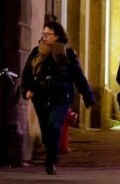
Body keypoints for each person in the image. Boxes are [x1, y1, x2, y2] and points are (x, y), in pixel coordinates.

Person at [20, 20, 95, 175]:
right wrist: (26, 90)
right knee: (46, 132)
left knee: (54, 126)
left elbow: (77, 75)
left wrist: (88, 96)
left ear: (57, 36)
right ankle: (51, 154)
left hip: (61, 97)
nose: (44, 37)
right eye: (43, 33)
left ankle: (51, 161)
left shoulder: (67, 53)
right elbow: (27, 74)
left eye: (48, 34)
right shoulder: (36, 52)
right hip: (40, 97)